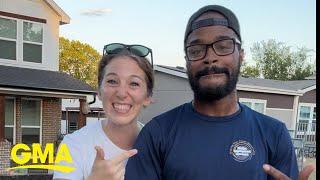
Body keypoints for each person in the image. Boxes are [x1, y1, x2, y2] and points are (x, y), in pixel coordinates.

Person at [125, 5, 306, 179]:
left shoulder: (274, 133)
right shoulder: (157, 133)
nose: (210, 58)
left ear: (241, 55)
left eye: (223, 46)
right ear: (187, 61)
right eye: (196, 50)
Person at [53, 43, 154, 180]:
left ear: (147, 97)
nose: (122, 93)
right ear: (99, 91)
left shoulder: (158, 145)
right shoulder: (74, 144)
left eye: (134, 83)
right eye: (112, 81)